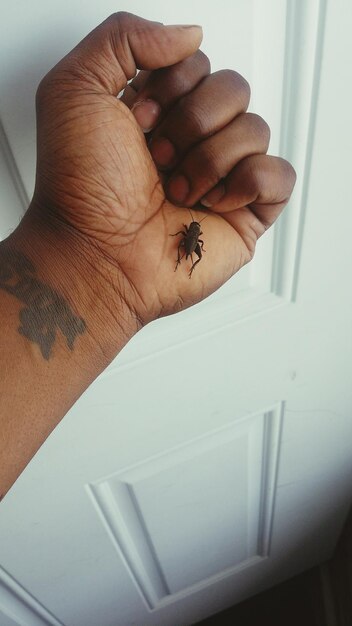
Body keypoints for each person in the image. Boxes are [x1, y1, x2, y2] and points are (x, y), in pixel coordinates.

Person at [0, 12, 296, 500]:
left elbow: (185, 243)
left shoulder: (187, 235)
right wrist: (82, 254)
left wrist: (89, 264)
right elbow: (182, 243)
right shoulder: (185, 236)